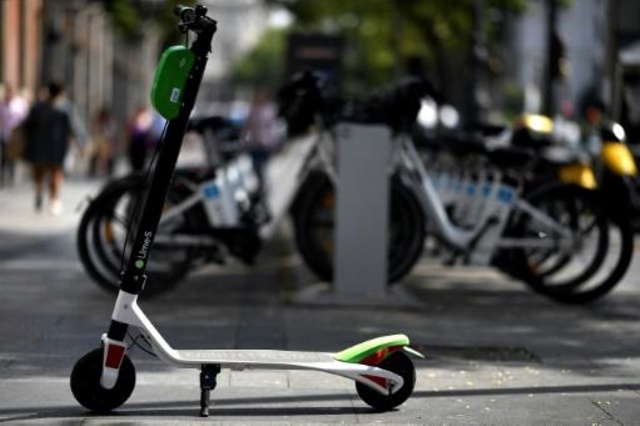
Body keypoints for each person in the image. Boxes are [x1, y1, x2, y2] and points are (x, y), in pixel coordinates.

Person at [22, 81, 87, 215]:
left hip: (39, 146)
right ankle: (53, 201)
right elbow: (74, 127)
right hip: (57, 147)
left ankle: (41, 192)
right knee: (56, 174)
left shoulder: (39, 106)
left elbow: (27, 125)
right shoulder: (65, 108)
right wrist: (81, 143)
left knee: (41, 172)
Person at [244, 89, 282, 194]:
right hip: (254, 144)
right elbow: (248, 126)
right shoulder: (253, 110)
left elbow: (275, 127)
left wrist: (276, 141)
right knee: (255, 166)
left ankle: (264, 186)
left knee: (263, 166)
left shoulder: (270, 110)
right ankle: (261, 185)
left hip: (266, 144)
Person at [0, 83, 28, 187]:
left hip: (16, 134)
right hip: (5, 134)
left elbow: (24, 117)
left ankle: (13, 176)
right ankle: (3, 176)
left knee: (14, 156)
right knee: (4, 156)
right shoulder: (2, 104)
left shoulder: (19, 103)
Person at [88, 107, 118, 177]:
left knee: (109, 156)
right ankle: (92, 171)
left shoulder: (110, 123)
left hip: (107, 143)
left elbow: (112, 134)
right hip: (98, 143)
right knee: (94, 156)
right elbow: (93, 133)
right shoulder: (97, 123)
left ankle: (109, 171)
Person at [126, 105, 154, 173]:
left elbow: (148, 134)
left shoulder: (145, 120)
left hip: (141, 145)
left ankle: (138, 174)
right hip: (135, 145)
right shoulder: (133, 120)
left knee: (140, 164)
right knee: (135, 164)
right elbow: (129, 132)